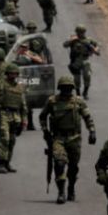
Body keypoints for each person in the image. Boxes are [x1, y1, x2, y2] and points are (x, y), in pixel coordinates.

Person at [39, 76, 96, 204]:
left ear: (72, 88)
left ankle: (71, 187)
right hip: (58, 138)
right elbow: (42, 116)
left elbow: (87, 117)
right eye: (64, 88)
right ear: (60, 88)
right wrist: (45, 131)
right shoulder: (52, 101)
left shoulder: (78, 101)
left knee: (73, 167)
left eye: (69, 88)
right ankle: (61, 192)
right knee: (59, 163)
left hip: (74, 138)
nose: (66, 90)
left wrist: (92, 131)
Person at [0, 63, 28, 173]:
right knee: (5, 138)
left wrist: (24, 120)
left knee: (12, 140)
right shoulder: (2, 85)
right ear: (7, 73)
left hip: (16, 115)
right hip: (4, 113)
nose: (13, 75)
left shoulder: (20, 87)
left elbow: (23, 105)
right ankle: (1, 163)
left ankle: (7, 162)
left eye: (15, 73)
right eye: (11, 73)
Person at [63, 24, 100, 99]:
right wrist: (71, 40)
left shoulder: (88, 40)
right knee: (77, 79)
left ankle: (85, 92)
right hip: (75, 61)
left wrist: (95, 50)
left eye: (82, 32)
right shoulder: (73, 40)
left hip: (85, 60)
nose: (80, 34)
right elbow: (65, 45)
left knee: (87, 76)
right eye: (79, 32)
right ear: (76, 32)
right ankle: (78, 93)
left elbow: (97, 45)